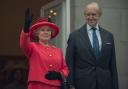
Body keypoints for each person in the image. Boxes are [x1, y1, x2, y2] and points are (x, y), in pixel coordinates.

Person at [66, 2, 118, 89]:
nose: (90, 17)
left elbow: (112, 64)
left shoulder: (108, 36)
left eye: (93, 14)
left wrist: (115, 85)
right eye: (88, 14)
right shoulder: (74, 36)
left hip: (105, 83)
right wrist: (70, 84)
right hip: (82, 83)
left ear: (99, 15)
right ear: (85, 15)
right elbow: (69, 63)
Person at [20, 9, 69, 89]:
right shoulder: (32, 47)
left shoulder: (58, 51)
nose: (46, 32)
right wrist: (26, 28)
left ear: (51, 33)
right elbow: (23, 43)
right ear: (37, 33)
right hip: (37, 86)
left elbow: (65, 68)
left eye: (48, 30)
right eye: (42, 30)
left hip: (55, 86)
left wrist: (59, 74)